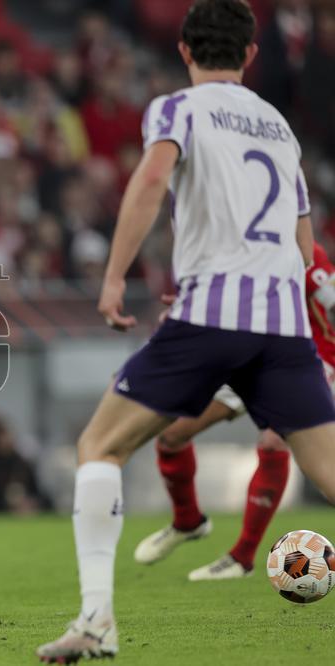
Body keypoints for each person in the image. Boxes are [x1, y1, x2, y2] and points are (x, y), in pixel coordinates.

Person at [37, 1, 335, 661]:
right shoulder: (280, 128)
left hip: (211, 315)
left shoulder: (177, 108)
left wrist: (113, 278)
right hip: (283, 326)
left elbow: (150, 180)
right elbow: (305, 242)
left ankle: (95, 622)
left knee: (100, 447)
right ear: (251, 55)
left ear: (183, 50)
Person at [135, 241, 335, 580]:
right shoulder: (231, 247)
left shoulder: (301, 249)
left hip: (305, 361)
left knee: (274, 442)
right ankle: (188, 521)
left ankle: (242, 556)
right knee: (171, 435)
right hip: (243, 355)